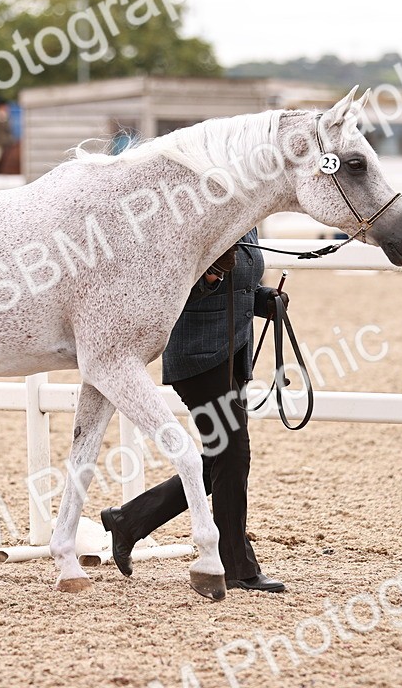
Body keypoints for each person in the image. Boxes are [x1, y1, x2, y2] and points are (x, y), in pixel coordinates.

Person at [102, 229, 288, 593]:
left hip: (232, 351)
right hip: (197, 353)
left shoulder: (245, 218)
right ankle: (235, 565)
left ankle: (130, 520)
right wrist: (209, 277)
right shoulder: (195, 217)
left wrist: (265, 299)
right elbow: (166, 288)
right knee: (233, 453)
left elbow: (241, 283)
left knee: (223, 456)